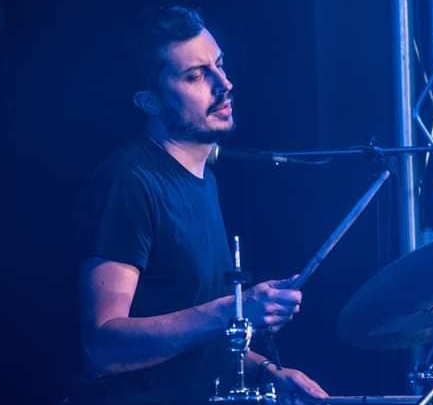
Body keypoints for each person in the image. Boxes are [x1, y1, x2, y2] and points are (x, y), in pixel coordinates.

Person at [77, 6, 329, 405]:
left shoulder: (203, 179)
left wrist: (269, 371)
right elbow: (102, 348)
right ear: (150, 102)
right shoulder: (130, 182)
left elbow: (191, 337)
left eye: (219, 65)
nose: (224, 84)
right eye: (195, 76)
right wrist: (236, 310)